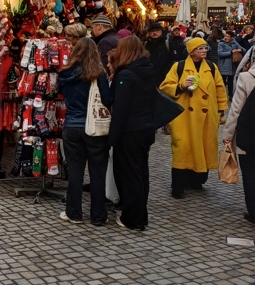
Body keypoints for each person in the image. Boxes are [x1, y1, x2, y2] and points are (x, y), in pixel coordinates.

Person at [159, 37, 228, 199]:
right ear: (191, 51)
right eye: (200, 49)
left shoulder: (211, 67)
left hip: (206, 117)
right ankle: (178, 185)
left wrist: (221, 110)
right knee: (182, 149)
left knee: (203, 147)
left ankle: (197, 180)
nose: (204, 51)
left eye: (205, 48)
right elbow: (165, 86)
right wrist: (181, 86)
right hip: (184, 117)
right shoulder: (179, 67)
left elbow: (220, 89)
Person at [57, 37, 112, 226]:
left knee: (75, 172)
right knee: (97, 172)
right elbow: (107, 99)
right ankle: (98, 215)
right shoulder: (99, 74)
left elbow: (60, 92)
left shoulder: (65, 73)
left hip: (72, 125)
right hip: (95, 127)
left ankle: (74, 213)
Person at [107, 36, 157, 231]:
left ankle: (132, 218)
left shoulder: (126, 75)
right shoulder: (147, 70)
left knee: (129, 174)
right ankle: (139, 214)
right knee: (140, 172)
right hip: (145, 127)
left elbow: (120, 109)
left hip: (129, 130)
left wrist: (112, 138)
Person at [222, 52, 255, 225]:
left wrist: (227, 135)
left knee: (250, 173)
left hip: (249, 134)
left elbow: (235, 110)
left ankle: (253, 212)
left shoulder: (245, 77)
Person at [144, 21, 172, 88]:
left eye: (157, 31)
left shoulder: (167, 43)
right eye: (152, 31)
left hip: (164, 75)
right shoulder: (146, 44)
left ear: (161, 32)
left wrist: (166, 70)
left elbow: (172, 58)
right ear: (149, 33)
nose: (154, 33)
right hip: (150, 75)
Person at [217, 29, 239, 100]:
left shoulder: (234, 43)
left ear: (232, 37)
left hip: (232, 65)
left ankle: (230, 95)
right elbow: (220, 53)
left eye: (228, 36)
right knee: (222, 82)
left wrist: (240, 50)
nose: (226, 37)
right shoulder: (221, 43)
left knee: (230, 82)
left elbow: (243, 49)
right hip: (223, 65)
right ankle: (221, 95)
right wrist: (231, 52)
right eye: (225, 36)